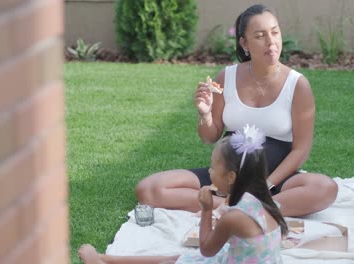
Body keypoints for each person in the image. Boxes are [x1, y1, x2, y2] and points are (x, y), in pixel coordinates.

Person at [136, 4, 338, 217]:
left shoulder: (298, 85)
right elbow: (210, 136)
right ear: (244, 43)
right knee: (149, 189)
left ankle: (247, 205)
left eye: (275, 32)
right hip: (227, 179)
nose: (271, 42)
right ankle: (245, 208)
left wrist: (265, 186)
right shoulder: (226, 77)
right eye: (260, 35)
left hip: (274, 182)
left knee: (325, 188)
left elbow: (301, 150)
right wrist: (204, 113)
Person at [79, 126, 288, 264]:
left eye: (213, 167)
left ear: (232, 176)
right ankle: (103, 259)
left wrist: (206, 209)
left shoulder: (234, 217)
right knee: (178, 258)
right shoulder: (261, 200)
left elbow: (206, 249)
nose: (209, 172)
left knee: (175, 261)